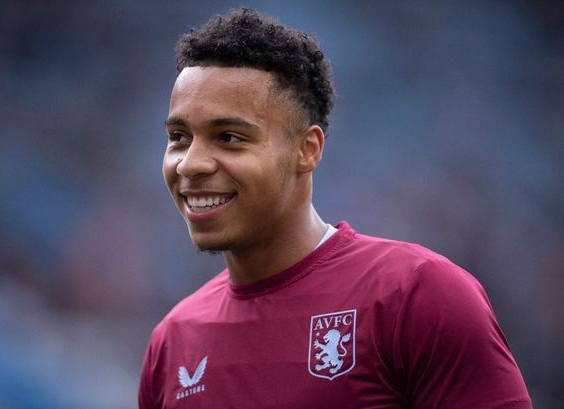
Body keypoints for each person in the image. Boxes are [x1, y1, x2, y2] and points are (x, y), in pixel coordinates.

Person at [139, 8, 532, 409]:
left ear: (307, 149)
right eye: (179, 137)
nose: (190, 164)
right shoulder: (172, 342)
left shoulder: (416, 295)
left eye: (229, 137)